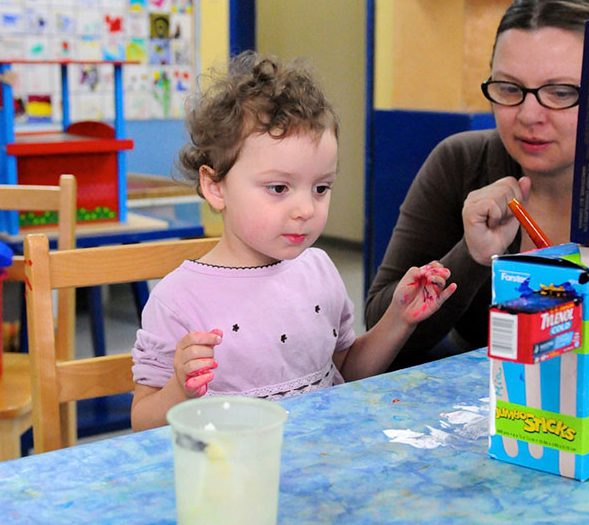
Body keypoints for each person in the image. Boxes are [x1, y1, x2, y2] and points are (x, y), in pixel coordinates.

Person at [131, 51, 456, 431]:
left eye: (321, 187)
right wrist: (178, 391)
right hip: (234, 474)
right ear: (215, 185)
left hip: (320, 463)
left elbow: (347, 372)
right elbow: (142, 421)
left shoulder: (318, 270)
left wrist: (398, 319)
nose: (305, 208)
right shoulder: (178, 299)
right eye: (279, 187)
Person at [365, 0, 589, 370]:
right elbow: (383, 332)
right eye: (509, 88)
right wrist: (472, 255)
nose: (529, 116)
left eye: (561, 92)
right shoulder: (462, 163)